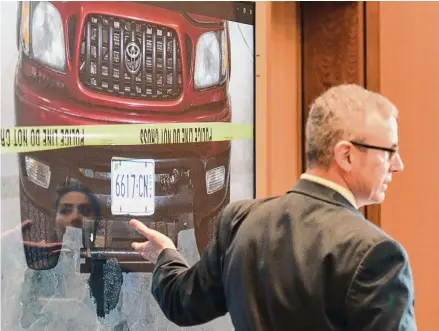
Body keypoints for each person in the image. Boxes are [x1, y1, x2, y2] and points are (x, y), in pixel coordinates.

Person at [129, 84, 417, 331]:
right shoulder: (378, 256)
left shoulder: (239, 220)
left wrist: (165, 256)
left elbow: (183, 303)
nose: (398, 165)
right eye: (389, 151)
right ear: (346, 155)